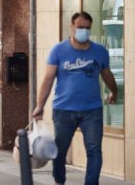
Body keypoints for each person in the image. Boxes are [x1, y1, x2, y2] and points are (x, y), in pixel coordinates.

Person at [32, 12, 118, 185]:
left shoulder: (100, 51)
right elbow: (48, 79)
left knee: (94, 151)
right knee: (60, 150)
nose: (83, 31)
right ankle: (59, 181)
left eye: (87, 28)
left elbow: (107, 74)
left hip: (92, 110)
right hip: (64, 110)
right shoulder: (59, 50)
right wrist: (39, 105)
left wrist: (114, 92)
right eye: (80, 27)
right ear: (72, 27)